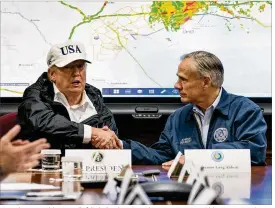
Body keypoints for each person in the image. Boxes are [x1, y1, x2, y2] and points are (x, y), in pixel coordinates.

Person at [119, 51, 267, 165]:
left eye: (183, 79)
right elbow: (162, 155)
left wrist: (195, 159)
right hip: (189, 194)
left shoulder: (244, 110)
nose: (176, 85)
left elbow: (254, 152)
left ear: (205, 82)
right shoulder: (178, 117)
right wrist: (122, 146)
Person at [17, 40, 122, 153]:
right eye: (68, 67)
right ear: (52, 74)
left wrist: (105, 139)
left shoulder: (93, 95)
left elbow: (110, 135)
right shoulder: (35, 95)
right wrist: (92, 133)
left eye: (80, 66)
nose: (76, 73)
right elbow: (45, 123)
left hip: (89, 166)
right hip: (45, 167)